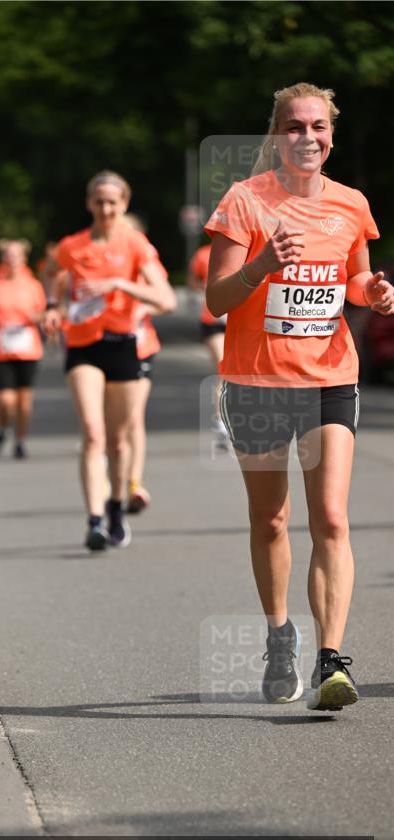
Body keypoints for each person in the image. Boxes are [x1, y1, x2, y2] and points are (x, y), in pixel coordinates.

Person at [205, 82, 394, 710]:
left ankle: (330, 661)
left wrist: (374, 293)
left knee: (332, 518)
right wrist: (262, 266)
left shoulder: (351, 204)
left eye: (317, 126)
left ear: (332, 135)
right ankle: (280, 634)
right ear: (276, 135)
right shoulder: (245, 202)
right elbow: (218, 299)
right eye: (293, 126)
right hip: (256, 382)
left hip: (329, 377)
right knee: (272, 520)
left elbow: (355, 277)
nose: (306, 137)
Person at [44, 170, 175, 550]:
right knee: (93, 433)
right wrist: (54, 306)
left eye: (112, 202)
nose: (105, 208)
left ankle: (117, 508)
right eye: (99, 201)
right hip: (83, 345)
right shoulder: (73, 245)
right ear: (89, 204)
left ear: (124, 204)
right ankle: (94, 520)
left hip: (123, 345)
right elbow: (55, 272)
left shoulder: (135, 245)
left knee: (118, 442)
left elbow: (165, 299)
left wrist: (119, 284)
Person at [123, 214, 177, 513]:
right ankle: (107, 473)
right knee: (109, 423)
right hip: (100, 348)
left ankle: (134, 482)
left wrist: (142, 305)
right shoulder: (98, 260)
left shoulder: (147, 264)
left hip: (140, 346)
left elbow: (167, 300)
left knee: (133, 417)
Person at [0, 239, 46, 459]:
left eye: (16, 255)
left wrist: (34, 317)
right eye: (8, 255)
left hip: (27, 347)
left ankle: (20, 441)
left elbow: (43, 313)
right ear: (2, 258)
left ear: (24, 259)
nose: (12, 260)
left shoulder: (33, 285)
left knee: (24, 401)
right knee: (6, 400)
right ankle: (1, 430)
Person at [188, 242, 229, 450]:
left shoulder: (253, 249)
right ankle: (221, 422)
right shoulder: (203, 254)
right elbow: (192, 281)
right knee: (223, 369)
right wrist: (206, 286)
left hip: (241, 319)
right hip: (214, 319)